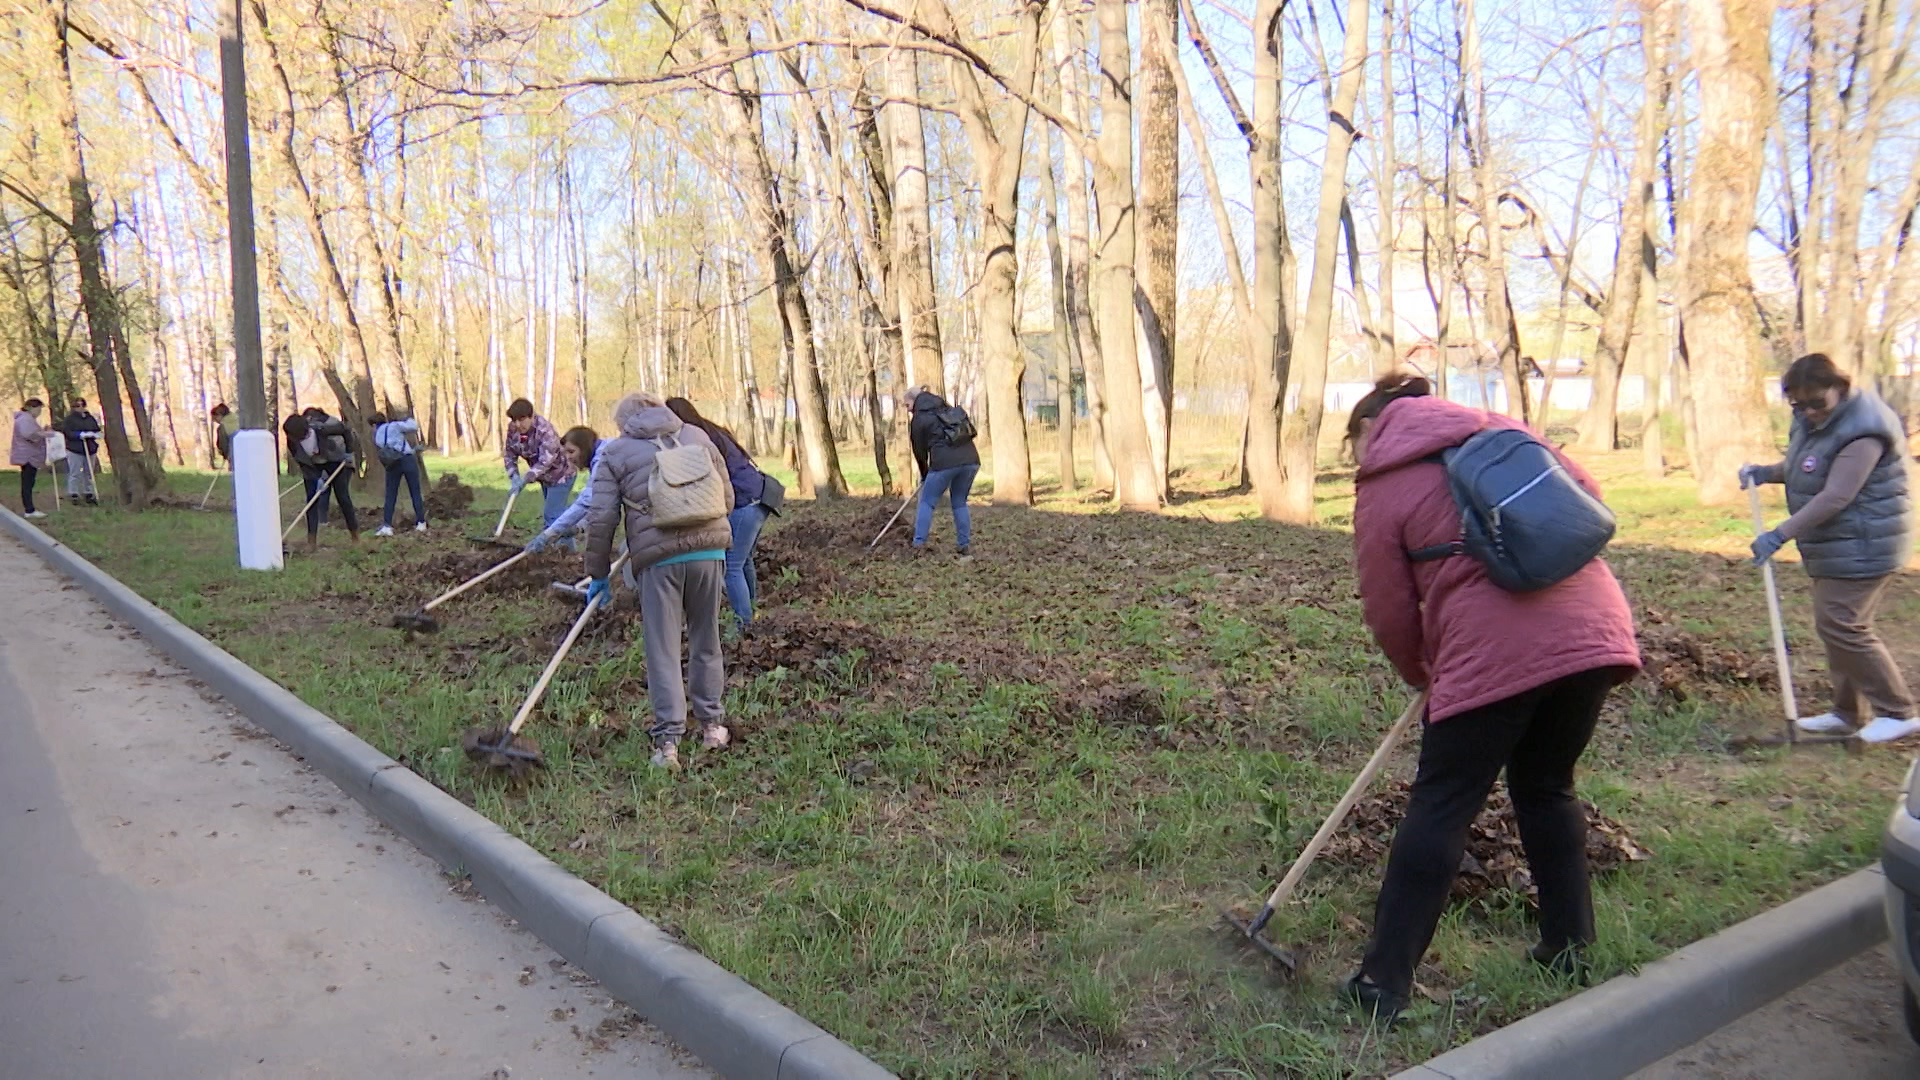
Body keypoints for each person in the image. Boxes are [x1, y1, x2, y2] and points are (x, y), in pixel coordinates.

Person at [1342, 372, 1641, 1022]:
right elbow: (1585, 498)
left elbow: (1388, 606)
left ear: (1371, 427)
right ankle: (1568, 947)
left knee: (1443, 805)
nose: (1352, 459)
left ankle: (1382, 982)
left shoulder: (1383, 481)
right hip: (1594, 632)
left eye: (1351, 444)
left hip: (1497, 649)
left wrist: (1422, 672)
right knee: (1546, 786)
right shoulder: (1504, 429)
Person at [1742, 353, 1916, 743]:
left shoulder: (1864, 429)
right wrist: (1766, 473)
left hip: (1867, 541)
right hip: (1839, 543)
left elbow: (1837, 495)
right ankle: (1847, 712)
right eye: (1798, 405)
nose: (1808, 412)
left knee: (1843, 624)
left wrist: (1779, 534)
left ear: (1841, 387)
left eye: (1817, 402)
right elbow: (1806, 463)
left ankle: (1898, 711)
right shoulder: (1817, 420)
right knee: (1836, 626)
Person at [583, 393, 733, 771]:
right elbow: (727, 497)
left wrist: (598, 573)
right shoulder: (697, 436)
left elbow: (600, 518)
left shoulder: (616, 452)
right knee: (706, 637)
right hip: (709, 553)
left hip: (659, 561)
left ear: (624, 423)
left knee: (663, 649)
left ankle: (668, 743)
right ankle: (713, 726)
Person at [666, 397, 778, 628]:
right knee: (744, 560)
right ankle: (752, 611)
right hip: (760, 497)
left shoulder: (695, 439)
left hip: (744, 502)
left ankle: (744, 624)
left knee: (731, 565)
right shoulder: (712, 430)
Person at [907, 388, 981, 556]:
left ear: (914, 401)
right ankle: (964, 544)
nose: (908, 409)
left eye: (907, 405)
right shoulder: (946, 407)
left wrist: (925, 474)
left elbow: (919, 451)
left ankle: (918, 544)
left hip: (944, 463)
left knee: (927, 502)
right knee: (960, 502)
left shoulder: (919, 419)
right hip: (971, 460)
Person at [283, 411, 360, 551]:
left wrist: (349, 452)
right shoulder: (292, 442)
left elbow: (346, 431)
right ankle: (311, 541)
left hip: (334, 461)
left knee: (343, 498)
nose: (291, 439)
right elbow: (302, 462)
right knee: (311, 501)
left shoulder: (321, 429)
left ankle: (355, 536)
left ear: (303, 432)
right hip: (312, 467)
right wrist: (315, 478)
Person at [526, 425, 605, 555]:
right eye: (566, 452)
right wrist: (580, 526)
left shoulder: (603, 460)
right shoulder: (600, 458)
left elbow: (587, 501)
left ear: (585, 448)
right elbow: (602, 502)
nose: (568, 457)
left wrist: (548, 534)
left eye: (571, 451)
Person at [503, 398, 577, 533]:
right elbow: (509, 453)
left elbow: (546, 461)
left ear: (531, 416)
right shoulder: (513, 429)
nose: (518, 424)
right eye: (514, 420)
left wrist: (526, 478)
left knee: (552, 516)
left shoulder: (545, 430)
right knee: (557, 516)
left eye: (522, 419)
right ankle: (567, 549)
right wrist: (513, 474)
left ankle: (555, 548)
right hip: (545, 479)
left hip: (562, 475)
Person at [370, 411, 428, 537]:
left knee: (390, 494)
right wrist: (408, 419)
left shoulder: (376, 435)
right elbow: (413, 427)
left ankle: (387, 525)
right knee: (415, 491)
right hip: (407, 460)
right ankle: (421, 523)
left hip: (391, 463)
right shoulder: (395, 426)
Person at [58, 397, 102, 505]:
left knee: (89, 472)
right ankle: (73, 493)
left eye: (82, 405)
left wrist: (94, 434)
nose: (80, 408)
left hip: (90, 448)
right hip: (75, 449)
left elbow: (96, 428)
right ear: (73, 407)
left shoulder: (89, 418)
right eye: (77, 406)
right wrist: (79, 435)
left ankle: (89, 492)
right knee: (75, 472)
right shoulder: (69, 419)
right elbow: (67, 432)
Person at [10, 398, 47, 519]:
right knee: (27, 482)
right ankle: (29, 509)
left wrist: (42, 431)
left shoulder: (26, 419)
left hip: (27, 454)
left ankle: (29, 508)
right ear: (31, 408)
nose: (39, 412)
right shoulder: (25, 419)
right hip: (28, 455)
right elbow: (29, 434)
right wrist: (44, 434)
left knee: (29, 482)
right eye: (39, 409)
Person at [211, 403, 238, 469]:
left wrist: (225, 455)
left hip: (234, 456)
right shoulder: (239, 420)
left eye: (214, 418)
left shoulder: (222, 427)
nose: (214, 421)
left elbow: (223, 445)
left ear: (219, 415)